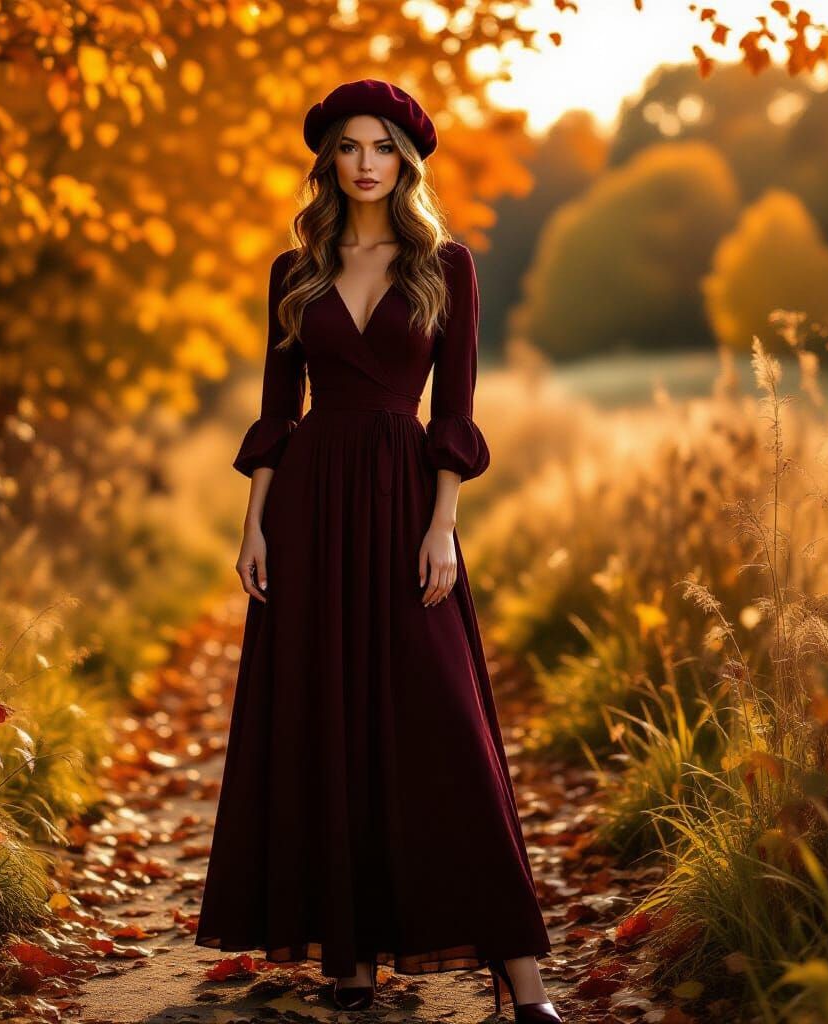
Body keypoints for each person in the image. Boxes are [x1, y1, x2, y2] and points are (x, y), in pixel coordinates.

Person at [195, 79, 563, 1024]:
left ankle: (521, 975)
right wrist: (254, 524)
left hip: (407, 501)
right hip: (311, 506)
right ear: (329, 160)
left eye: (383, 147)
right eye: (351, 146)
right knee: (324, 710)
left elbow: (458, 412)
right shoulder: (296, 269)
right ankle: (347, 956)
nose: (366, 161)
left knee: (443, 716)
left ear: (406, 160)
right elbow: (279, 411)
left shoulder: (447, 264)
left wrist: (444, 524)